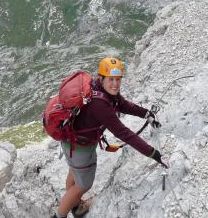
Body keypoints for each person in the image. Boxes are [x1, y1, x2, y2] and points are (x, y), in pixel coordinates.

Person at [53, 57, 168, 218]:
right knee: (83, 184)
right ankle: (60, 215)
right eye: (111, 80)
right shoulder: (100, 105)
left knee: (75, 172)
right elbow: (124, 134)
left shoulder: (99, 89)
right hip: (80, 148)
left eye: (118, 79)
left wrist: (146, 113)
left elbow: (123, 104)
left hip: (72, 142)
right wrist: (154, 154)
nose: (115, 84)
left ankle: (76, 205)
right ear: (101, 78)